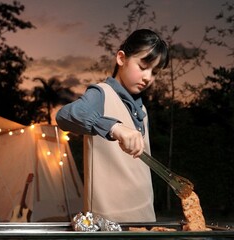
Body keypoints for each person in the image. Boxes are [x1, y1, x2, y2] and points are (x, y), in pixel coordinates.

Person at [56, 29, 169, 222]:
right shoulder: (101, 93)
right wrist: (115, 128)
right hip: (108, 221)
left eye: (154, 72)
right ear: (121, 58)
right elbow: (65, 115)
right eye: (143, 66)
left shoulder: (142, 110)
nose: (148, 77)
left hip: (145, 218)